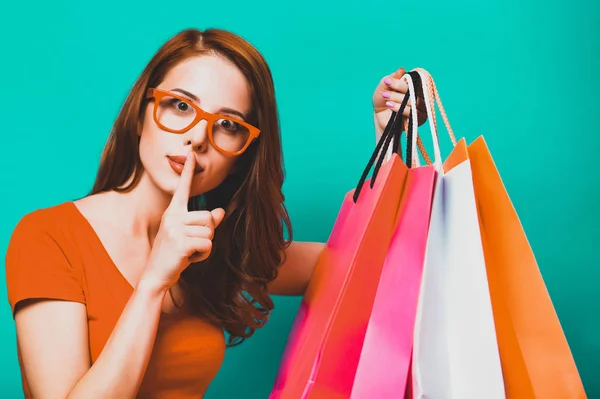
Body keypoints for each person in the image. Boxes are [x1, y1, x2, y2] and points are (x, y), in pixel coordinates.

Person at [5, 27, 424, 398]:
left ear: (241, 157)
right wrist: (153, 282)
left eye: (228, 125)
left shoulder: (214, 244)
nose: (197, 138)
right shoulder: (48, 237)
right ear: (140, 113)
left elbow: (377, 265)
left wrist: (389, 134)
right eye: (181, 106)